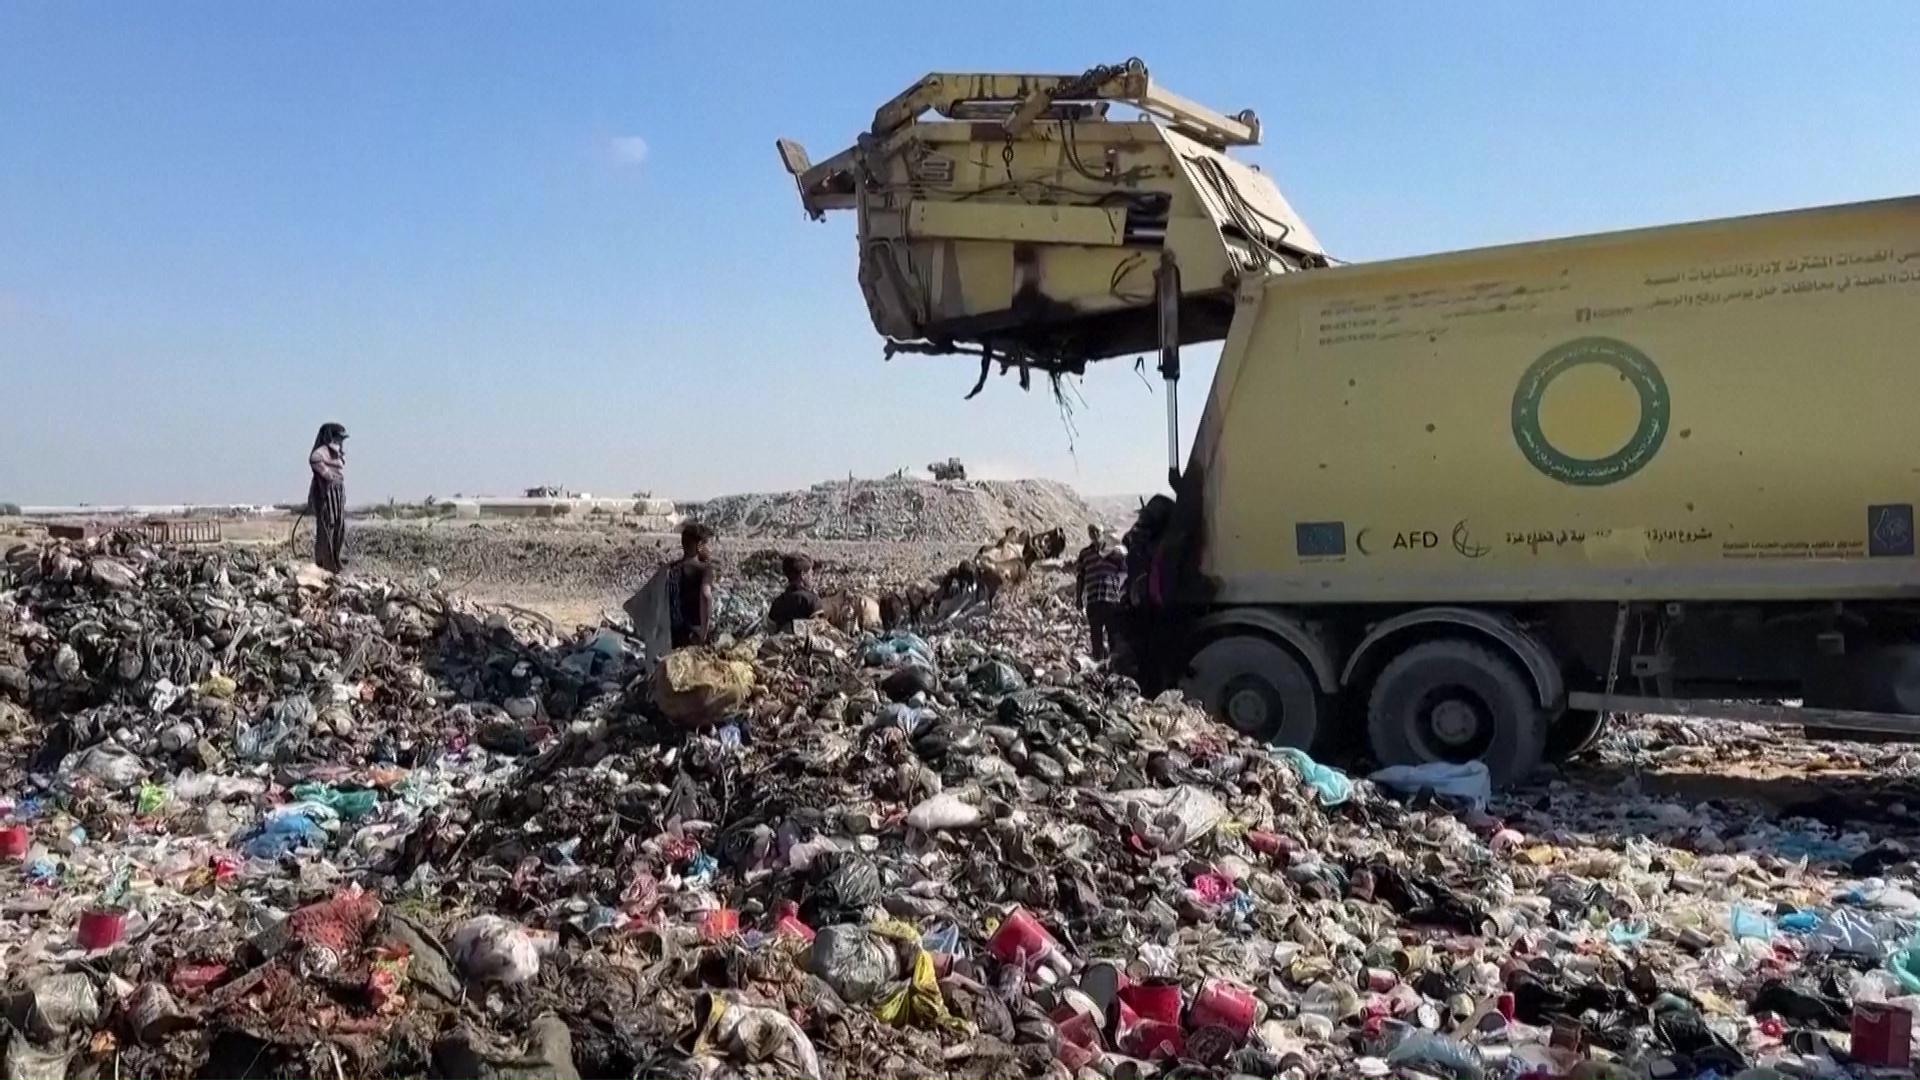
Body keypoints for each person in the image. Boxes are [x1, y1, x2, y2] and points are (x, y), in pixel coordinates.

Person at [1074, 525, 1126, 661]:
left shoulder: (1114, 553)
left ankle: (1115, 667)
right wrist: (1078, 599)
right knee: (1096, 637)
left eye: (1097, 531)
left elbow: (1125, 571)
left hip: (1111, 600)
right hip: (1093, 601)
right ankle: (1100, 666)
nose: (1094, 533)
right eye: (1091, 531)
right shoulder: (1084, 553)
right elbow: (1080, 576)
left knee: (1113, 635)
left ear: (1102, 533)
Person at [666, 522, 716, 649]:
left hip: (673, 632)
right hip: (694, 632)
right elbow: (705, 596)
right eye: (708, 545)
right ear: (699, 546)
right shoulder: (704, 569)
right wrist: (703, 633)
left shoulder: (670, 569)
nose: (710, 550)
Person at [307, 422, 348, 572]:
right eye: (338, 438)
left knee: (339, 527)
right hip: (325, 496)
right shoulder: (319, 454)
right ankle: (325, 563)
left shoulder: (336, 454)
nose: (341, 442)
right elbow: (324, 472)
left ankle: (336, 560)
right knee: (326, 528)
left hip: (337, 495)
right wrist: (331, 477)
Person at [767, 554, 823, 631]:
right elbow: (820, 629)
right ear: (803, 575)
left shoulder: (777, 603)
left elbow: (770, 629)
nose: (812, 578)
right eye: (810, 574)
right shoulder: (812, 600)